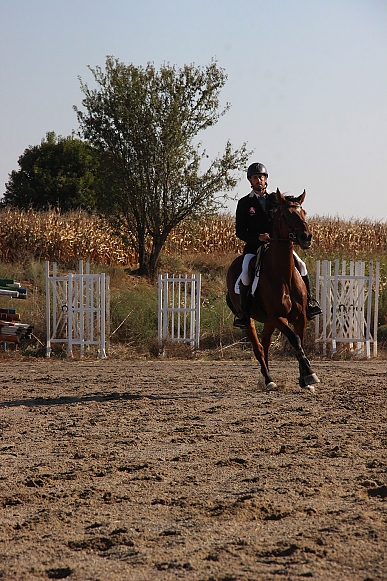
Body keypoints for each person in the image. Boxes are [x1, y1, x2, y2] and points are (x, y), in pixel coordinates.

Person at [233, 162, 322, 328]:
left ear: (266, 179)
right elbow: (240, 231)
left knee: (301, 266)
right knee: (245, 273)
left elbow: (291, 211)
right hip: (255, 247)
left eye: (261, 177)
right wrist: (257, 237)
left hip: (278, 246)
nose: (258, 180)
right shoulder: (244, 203)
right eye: (254, 178)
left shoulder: (276, 200)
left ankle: (309, 303)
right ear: (250, 181)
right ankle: (243, 314)